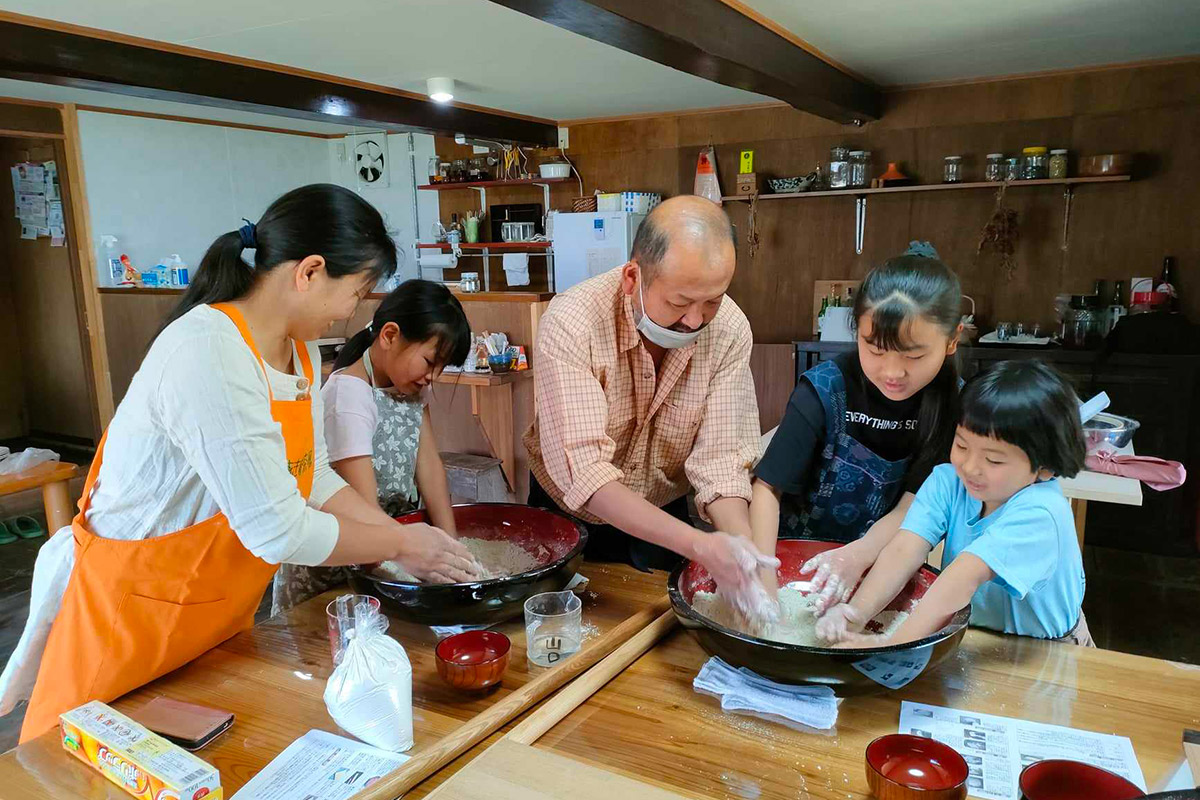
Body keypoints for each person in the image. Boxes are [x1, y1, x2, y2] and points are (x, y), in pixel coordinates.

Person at [0, 184, 481, 742]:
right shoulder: (207, 351)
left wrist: (404, 540)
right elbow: (277, 531)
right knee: (85, 766)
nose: (355, 310)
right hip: (131, 613)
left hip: (210, 613)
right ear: (310, 272)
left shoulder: (297, 349)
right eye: (357, 291)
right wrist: (400, 545)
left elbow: (313, 474)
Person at [523, 195, 777, 609]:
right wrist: (700, 545)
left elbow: (721, 462)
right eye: (678, 303)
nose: (695, 320)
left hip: (663, 508)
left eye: (711, 300)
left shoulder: (729, 329)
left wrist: (741, 547)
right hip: (572, 516)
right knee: (565, 627)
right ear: (632, 278)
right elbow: (586, 474)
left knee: (664, 620)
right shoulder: (572, 323)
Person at [815, 360, 1092, 647]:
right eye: (961, 445)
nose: (970, 467)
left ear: (1044, 467)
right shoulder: (949, 481)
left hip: (1043, 649)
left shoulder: (1042, 511)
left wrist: (892, 644)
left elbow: (965, 575)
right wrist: (854, 615)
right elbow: (903, 549)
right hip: (971, 635)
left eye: (993, 459)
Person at [750, 246, 963, 606]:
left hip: (885, 566)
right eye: (875, 350)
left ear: (952, 340)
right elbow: (768, 490)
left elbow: (913, 506)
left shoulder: (951, 404)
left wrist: (859, 555)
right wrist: (764, 577)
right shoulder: (824, 389)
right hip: (794, 564)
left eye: (914, 356)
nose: (893, 372)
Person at [272, 279, 473, 613]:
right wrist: (408, 560)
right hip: (342, 565)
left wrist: (453, 550)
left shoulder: (409, 388)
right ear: (390, 336)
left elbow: (430, 469)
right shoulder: (349, 396)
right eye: (429, 361)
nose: (432, 376)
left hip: (388, 543)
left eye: (440, 368)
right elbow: (361, 508)